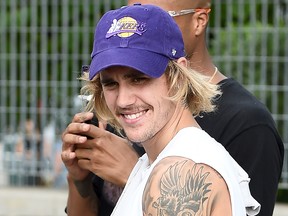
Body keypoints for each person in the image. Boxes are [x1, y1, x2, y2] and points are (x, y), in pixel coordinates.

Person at [62, 0, 284, 215]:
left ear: (179, 76)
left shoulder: (178, 173)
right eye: (110, 83)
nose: (123, 100)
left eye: (139, 79)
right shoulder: (164, 158)